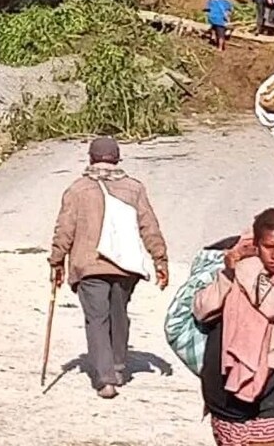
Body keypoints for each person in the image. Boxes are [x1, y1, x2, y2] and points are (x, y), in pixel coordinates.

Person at [49, 137, 169, 399]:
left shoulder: (77, 190)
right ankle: (116, 364)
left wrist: (56, 261)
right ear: (116, 159)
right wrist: (160, 259)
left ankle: (105, 379)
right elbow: (149, 226)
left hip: (89, 265)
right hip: (125, 268)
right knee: (118, 313)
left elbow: (65, 229)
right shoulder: (134, 189)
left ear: (91, 159)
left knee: (97, 319)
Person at [194, 209, 274, 446]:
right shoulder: (232, 268)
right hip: (224, 384)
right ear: (257, 244)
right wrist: (228, 273)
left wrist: (246, 268)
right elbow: (202, 309)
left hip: (271, 382)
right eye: (269, 247)